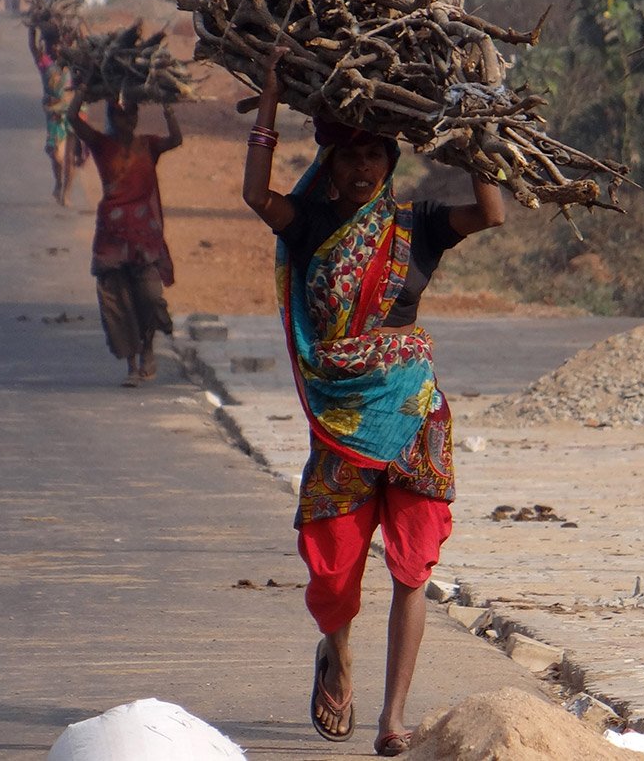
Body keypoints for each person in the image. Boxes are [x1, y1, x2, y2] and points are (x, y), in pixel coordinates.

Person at [241, 47, 505, 757]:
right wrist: (267, 104)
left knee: (412, 567)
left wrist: (480, 124)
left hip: (414, 417)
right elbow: (254, 196)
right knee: (333, 569)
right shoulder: (307, 224)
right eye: (350, 155)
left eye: (375, 156)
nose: (363, 169)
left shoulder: (416, 225)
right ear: (327, 160)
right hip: (342, 419)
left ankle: (392, 715)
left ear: (392, 161)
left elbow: (491, 211)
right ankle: (336, 649)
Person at [67, 91, 181, 386]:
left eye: (131, 114)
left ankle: (149, 350)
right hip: (112, 236)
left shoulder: (148, 145)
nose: (126, 120)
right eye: (120, 114)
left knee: (149, 296)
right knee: (119, 301)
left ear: (136, 116)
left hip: (145, 236)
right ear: (111, 117)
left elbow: (176, 140)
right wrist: (82, 91)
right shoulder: (102, 145)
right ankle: (132, 365)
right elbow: (71, 119)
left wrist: (169, 110)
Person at [30, 27, 80, 207]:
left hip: (73, 113)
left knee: (70, 157)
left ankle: (66, 192)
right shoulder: (45, 63)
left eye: (59, 44)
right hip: (54, 114)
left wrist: (77, 32)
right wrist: (33, 29)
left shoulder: (73, 63)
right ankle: (59, 183)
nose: (56, 48)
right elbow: (33, 48)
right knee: (55, 154)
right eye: (53, 45)